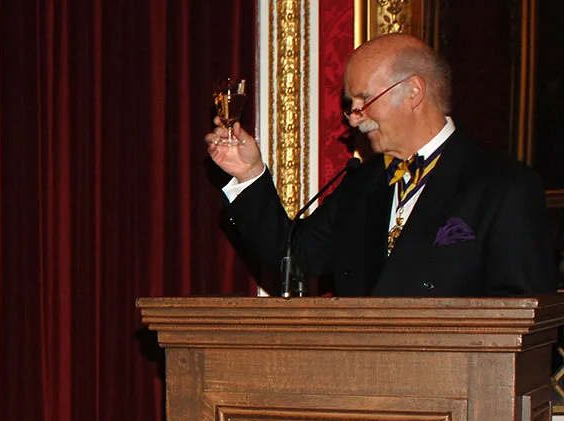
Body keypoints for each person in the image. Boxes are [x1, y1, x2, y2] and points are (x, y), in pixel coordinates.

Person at [205, 33, 556, 297]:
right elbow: (293, 259)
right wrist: (249, 175)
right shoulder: (362, 183)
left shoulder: (504, 185)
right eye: (351, 105)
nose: (354, 119)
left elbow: (523, 319)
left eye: (363, 101)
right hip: (363, 385)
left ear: (414, 92)